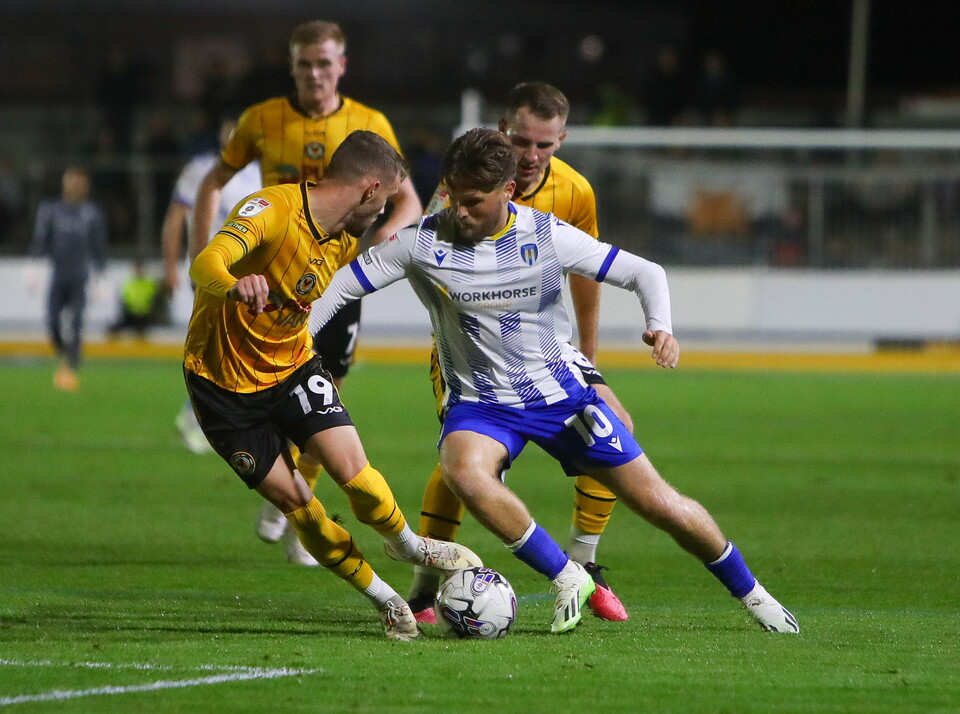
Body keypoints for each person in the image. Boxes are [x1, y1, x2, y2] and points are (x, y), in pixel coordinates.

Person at [308, 128, 799, 636]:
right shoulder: (420, 244)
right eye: (454, 198)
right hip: (481, 404)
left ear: (508, 192)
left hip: (563, 397)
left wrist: (661, 327)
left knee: (658, 502)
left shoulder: (546, 237)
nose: (460, 212)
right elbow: (339, 288)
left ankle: (754, 594)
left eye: (474, 202)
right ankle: (568, 575)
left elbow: (645, 272)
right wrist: (296, 341)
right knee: (462, 470)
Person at [183, 130, 481, 641]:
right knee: (300, 504)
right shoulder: (271, 209)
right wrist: (237, 283)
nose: (385, 212)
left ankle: (410, 546)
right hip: (223, 389)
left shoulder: (343, 240)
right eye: (384, 202)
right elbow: (206, 261)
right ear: (369, 191)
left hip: (293, 366)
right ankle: (385, 599)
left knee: (355, 474)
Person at [190, 19, 424, 561]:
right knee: (272, 386)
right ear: (291, 66)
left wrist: (387, 233)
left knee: (325, 391)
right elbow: (212, 182)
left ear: (342, 66)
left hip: (334, 276)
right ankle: (290, 495)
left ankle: (296, 501)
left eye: (324, 63)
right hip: (269, 279)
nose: (314, 74)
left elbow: (409, 197)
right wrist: (206, 260)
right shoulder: (262, 119)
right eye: (304, 64)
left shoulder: (369, 123)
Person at [411, 83, 633, 623]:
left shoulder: (575, 192)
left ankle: (586, 561)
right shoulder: (463, 187)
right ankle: (423, 588)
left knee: (613, 424)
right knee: (461, 463)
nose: (531, 157)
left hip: (548, 349)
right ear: (503, 129)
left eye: (544, 146)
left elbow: (590, 272)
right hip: (473, 357)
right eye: (520, 141)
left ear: (562, 140)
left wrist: (590, 355)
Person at [161, 115, 261, 457]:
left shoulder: (261, 174)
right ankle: (197, 415)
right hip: (211, 271)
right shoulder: (201, 169)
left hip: (249, 278)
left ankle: (206, 414)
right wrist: (172, 265)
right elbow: (176, 218)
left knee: (232, 347)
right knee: (221, 345)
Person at [26, 166, 107, 391]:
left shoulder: (91, 213)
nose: (74, 186)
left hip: (79, 273)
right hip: (59, 273)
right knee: (52, 318)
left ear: (85, 185)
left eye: (78, 182)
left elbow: (98, 247)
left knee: (77, 320)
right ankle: (62, 353)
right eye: (70, 181)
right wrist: (33, 265)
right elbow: (41, 239)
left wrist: (100, 276)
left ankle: (71, 363)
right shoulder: (51, 210)